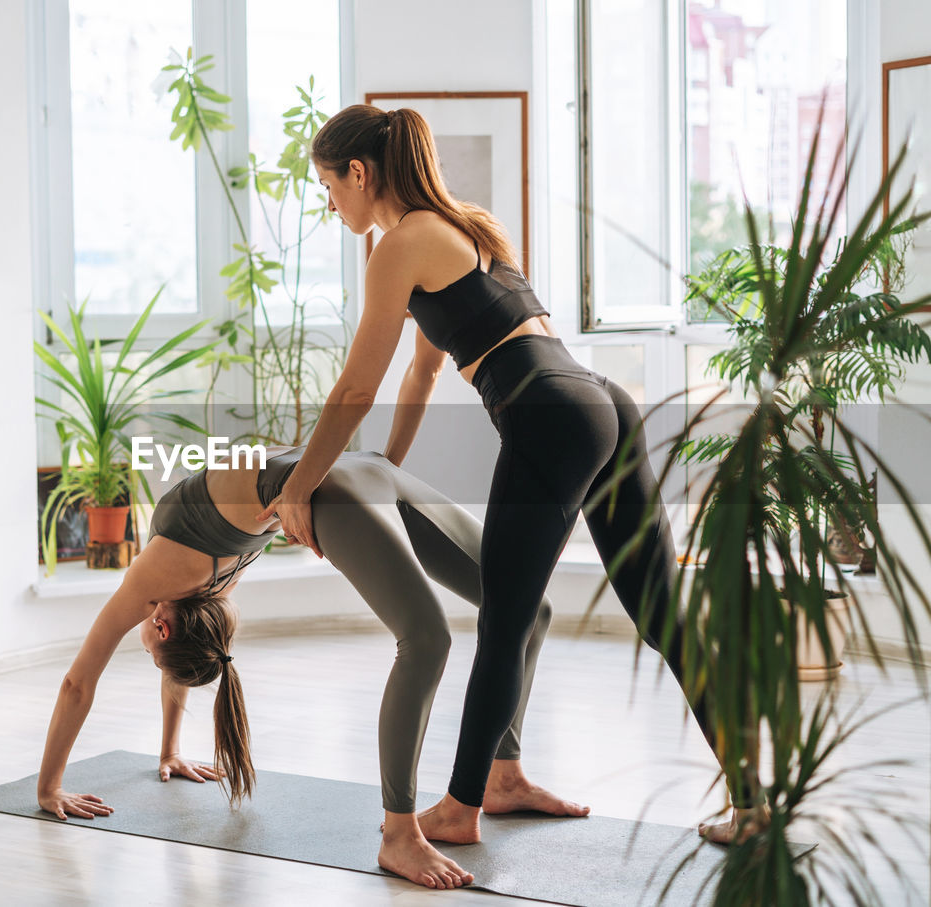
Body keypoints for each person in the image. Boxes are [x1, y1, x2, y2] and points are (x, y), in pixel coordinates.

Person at [255, 103, 763, 848]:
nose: (329, 204)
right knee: (665, 617)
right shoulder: (466, 225)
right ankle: (752, 802)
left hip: (549, 418)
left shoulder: (397, 244)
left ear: (359, 173)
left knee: (503, 621)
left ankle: (462, 806)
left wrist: (301, 483)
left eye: (329, 187)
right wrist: (386, 471)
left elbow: (357, 385)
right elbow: (422, 371)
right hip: (600, 404)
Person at [36, 445, 585, 891]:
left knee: (429, 638)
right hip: (361, 465)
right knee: (528, 611)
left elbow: (78, 681)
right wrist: (169, 751)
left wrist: (49, 789)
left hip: (333, 483)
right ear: (164, 626)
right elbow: (177, 656)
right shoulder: (203, 590)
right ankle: (502, 777)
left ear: (161, 625)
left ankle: (401, 833)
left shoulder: (164, 579)